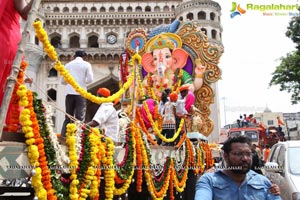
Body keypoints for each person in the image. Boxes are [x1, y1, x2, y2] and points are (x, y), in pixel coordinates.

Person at [195, 135, 281, 200]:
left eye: (248, 154)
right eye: (238, 154)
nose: (245, 158)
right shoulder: (209, 181)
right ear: (225, 156)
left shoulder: (264, 183)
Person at [0, 0, 34, 128]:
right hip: (8, 41)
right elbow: (25, 13)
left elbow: (24, 14)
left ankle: (9, 124)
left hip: (6, 39)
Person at [60, 50, 93, 137]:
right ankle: (78, 137)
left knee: (68, 117)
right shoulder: (86, 64)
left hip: (69, 93)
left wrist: (71, 83)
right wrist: (82, 82)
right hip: (80, 93)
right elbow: (90, 79)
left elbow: (63, 81)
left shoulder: (68, 65)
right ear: (84, 57)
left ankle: (64, 136)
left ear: (74, 56)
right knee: (80, 117)